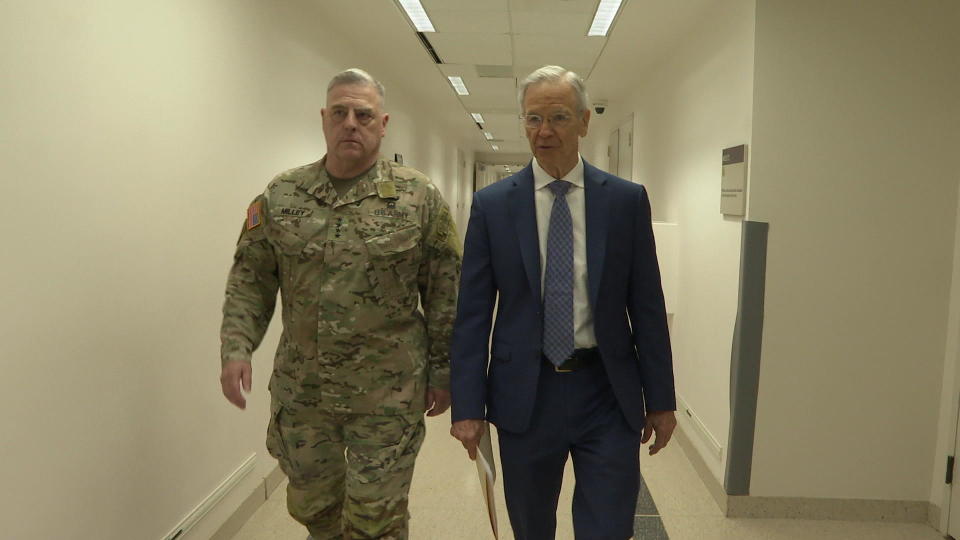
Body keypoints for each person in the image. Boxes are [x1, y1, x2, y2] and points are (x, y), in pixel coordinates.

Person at [219, 68, 461, 540]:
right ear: (324, 119)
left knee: (376, 519)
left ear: (383, 123)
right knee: (315, 507)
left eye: (364, 114)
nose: (351, 123)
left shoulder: (418, 198)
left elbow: (445, 292)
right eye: (340, 113)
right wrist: (236, 347)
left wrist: (444, 373)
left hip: (388, 393)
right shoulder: (281, 195)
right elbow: (250, 278)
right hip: (303, 392)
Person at [449, 65, 677, 540]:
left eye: (557, 117)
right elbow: (471, 315)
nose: (544, 131)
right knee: (532, 526)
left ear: (584, 121)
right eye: (533, 119)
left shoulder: (624, 202)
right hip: (524, 394)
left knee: (610, 526)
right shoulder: (493, 206)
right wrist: (467, 405)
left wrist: (660, 399)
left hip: (606, 391)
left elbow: (647, 306)